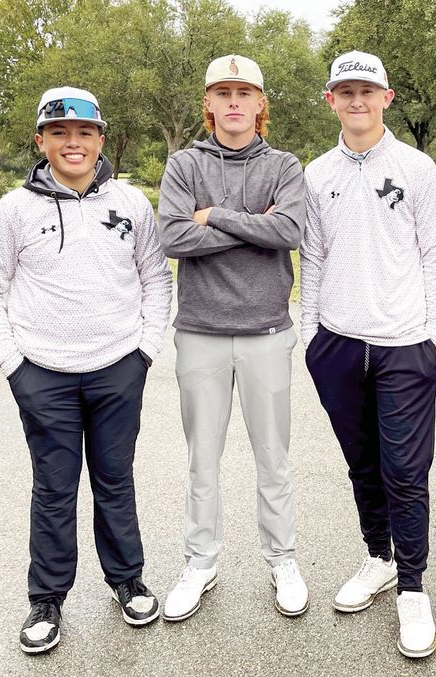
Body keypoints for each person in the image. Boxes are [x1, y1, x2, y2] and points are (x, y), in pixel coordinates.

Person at [0, 86, 173, 654]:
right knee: (54, 489)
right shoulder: (15, 209)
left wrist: (145, 352)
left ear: (100, 139)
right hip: (44, 375)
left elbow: (156, 279)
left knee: (115, 480)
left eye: (84, 132)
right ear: (42, 140)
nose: (72, 142)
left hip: (117, 368)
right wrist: (14, 366)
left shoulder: (129, 204)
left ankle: (126, 580)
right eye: (59, 133)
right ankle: (47, 599)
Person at [300, 50, 436, 659]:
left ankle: (412, 587)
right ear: (330, 99)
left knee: (405, 472)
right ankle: (379, 556)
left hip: (406, 344)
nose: (356, 101)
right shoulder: (314, 174)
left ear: (386, 97)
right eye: (345, 92)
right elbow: (311, 257)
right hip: (337, 341)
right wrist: (313, 333)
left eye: (367, 91)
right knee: (362, 462)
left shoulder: (416, 167)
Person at [157, 54, 308, 621]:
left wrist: (214, 214)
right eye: (223, 93)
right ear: (209, 104)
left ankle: (282, 559)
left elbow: (289, 231)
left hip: (267, 330)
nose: (234, 103)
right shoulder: (183, 165)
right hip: (201, 332)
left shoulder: (285, 166)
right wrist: (252, 225)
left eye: (244, 93)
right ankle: (200, 563)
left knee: (273, 458)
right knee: (203, 459)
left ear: (260, 103)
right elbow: (172, 236)